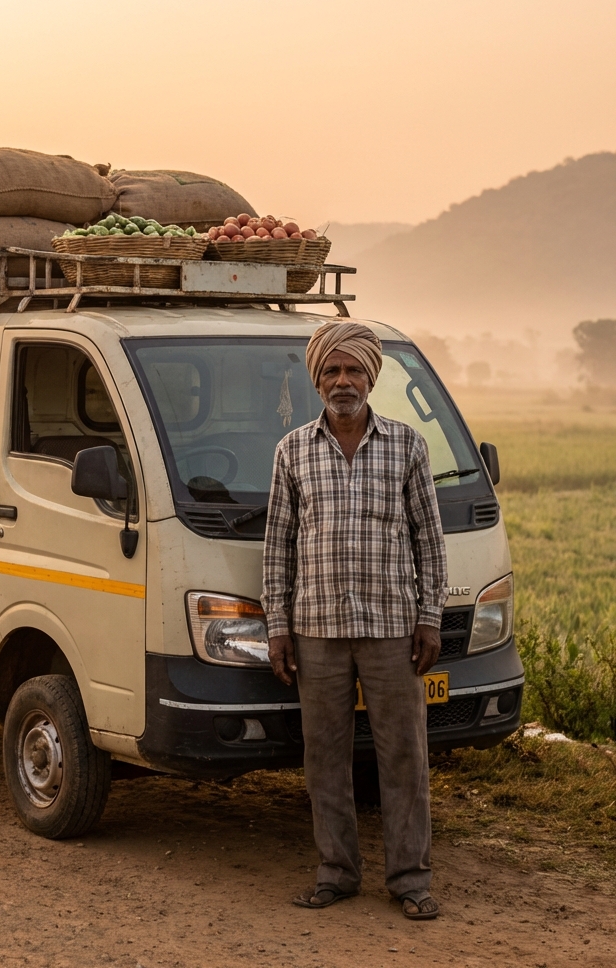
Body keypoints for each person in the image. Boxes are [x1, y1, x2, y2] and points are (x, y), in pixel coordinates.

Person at [261, 319, 448, 920]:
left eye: (354, 370)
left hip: (393, 626)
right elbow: (278, 547)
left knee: (403, 756)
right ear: (317, 380)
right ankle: (336, 872)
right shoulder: (292, 450)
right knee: (325, 759)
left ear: (372, 376)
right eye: (332, 371)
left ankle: (410, 879)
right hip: (315, 630)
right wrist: (278, 627)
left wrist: (430, 617)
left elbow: (430, 540)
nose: (344, 381)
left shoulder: (407, 445)